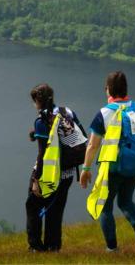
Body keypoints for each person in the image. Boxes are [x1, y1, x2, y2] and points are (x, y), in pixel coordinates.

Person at [81, 71, 135, 253]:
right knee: (126, 201)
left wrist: (86, 169)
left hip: (114, 167)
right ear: (126, 89)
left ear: (108, 90)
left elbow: (92, 145)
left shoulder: (104, 113)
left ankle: (112, 248)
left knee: (105, 206)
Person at [26, 83, 86, 253]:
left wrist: (36, 180)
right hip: (67, 174)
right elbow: (81, 136)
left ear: (37, 101)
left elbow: (42, 153)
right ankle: (53, 248)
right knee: (55, 210)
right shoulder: (67, 112)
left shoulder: (41, 120)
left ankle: (36, 247)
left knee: (33, 206)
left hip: (48, 174)